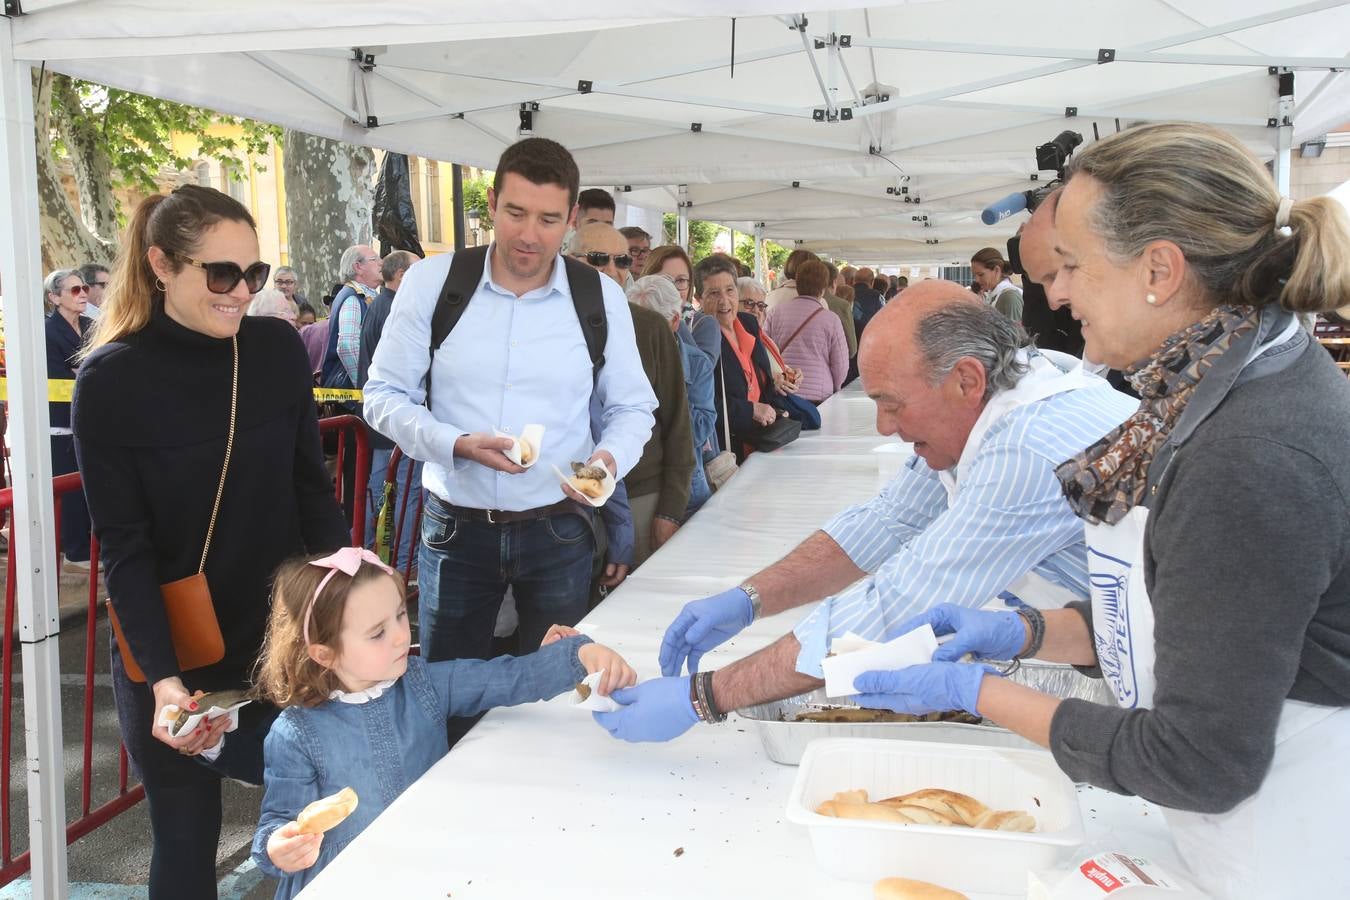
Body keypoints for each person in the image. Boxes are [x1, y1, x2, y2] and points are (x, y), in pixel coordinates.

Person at [852, 123, 1350, 900]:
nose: (1059, 294)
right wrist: (1032, 634)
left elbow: (1201, 760)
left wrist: (976, 692)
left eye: (1075, 266)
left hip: (1291, 843)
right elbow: (1205, 615)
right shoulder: (1222, 380)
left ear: (1159, 268)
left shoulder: (1250, 451)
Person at [591, 281, 1136, 743]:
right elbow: (886, 522)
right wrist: (749, 599)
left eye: (891, 404)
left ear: (966, 380)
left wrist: (705, 695)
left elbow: (896, 604)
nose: (883, 428)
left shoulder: (1024, 448)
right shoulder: (993, 399)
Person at [72, 185, 349, 899]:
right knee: (186, 837)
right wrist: (164, 683)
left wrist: (350, 593)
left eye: (252, 274)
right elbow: (125, 548)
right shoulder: (109, 380)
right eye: (220, 274)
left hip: (281, 635)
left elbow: (310, 488)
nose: (241, 292)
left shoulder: (274, 347)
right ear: (162, 264)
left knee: (323, 817)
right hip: (177, 647)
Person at [363, 137, 656, 667]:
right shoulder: (435, 281)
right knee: (449, 690)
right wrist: (456, 444)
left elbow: (633, 408)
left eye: (547, 219)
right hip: (456, 526)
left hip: (559, 525)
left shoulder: (599, 295)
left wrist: (605, 463)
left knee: (552, 690)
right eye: (516, 213)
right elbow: (382, 396)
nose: (528, 234)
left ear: (570, 220)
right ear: (492, 203)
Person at [251, 548, 636, 897]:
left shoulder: (422, 682)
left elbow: (506, 679)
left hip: (427, 866)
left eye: (401, 614)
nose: (402, 636)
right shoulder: (296, 734)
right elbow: (279, 822)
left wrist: (580, 653)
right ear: (325, 653)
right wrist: (279, 848)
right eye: (377, 633)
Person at [575, 224, 692, 565]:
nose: (612, 271)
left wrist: (670, 509)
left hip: (641, 493)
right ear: (568, 260)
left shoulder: (649, 326)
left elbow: (677, 423)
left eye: (622, 261)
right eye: (599, 259)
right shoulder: (547, 325)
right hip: (564, 499)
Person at [628, 274, 715, 520]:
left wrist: (667, 397)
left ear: (675, 321)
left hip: (685, 488)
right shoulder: (617, 361)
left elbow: (701, 428)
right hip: (629, 486)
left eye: (648, 325)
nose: (639, 333)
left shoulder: (696, 363)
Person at [359, 250, 422, 571]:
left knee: (385, 486)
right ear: (401, 276)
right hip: (393, 423)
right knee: (403, 489)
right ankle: (404, 561)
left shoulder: (381, 305)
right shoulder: (392, 309)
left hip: (385, 421)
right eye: (417, 270)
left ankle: (378, 553)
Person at [696, 255, 788, 462]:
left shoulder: (748, 323)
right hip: (728, 449)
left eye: (730, 290)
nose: (724, 300)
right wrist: (749, 410)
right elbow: (698, 403)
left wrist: (776, 384)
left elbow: (757, 379)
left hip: (763, 442)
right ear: (698, 298)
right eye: (713, 293)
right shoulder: (699, 337)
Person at [45, 269, 94, 570]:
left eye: (84, 288)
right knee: (70, 489)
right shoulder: (48, 331)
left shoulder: (91, 325)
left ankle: (88, 544)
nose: (83, 294)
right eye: (75, 290)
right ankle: (76, 550)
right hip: (61, 421)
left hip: (90, 419)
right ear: (54, 297)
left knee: (87, 485)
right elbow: (68, 373)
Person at [764, 258, 848, 404]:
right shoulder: (831, 319)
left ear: (797, 283)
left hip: (783, 390)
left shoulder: (775, 313)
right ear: (823, 288)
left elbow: (765, 350)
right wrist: (836, 386)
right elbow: (840, 364)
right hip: (819, 394)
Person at [643, 244, 720, 368]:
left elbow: (701, 374)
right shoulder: (632, 317)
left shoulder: (704, 324)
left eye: (681, 280)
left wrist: (675, 321)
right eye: (665, 280)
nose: (673, 289)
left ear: (690, 285)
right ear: (647, 280)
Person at [971, 247, 1023, 322]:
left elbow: (1016, 333)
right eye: (974, 275)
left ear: (996, 270)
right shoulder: (993, 295)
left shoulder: (1009, 296)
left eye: (981, 274)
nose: (977, 280)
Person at [850, 267, 884, 334]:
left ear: (854, 280)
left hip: (848, 337)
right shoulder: (878, 296)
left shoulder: (845, 293)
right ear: (872, 282)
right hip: (868, 336)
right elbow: (883, 319)